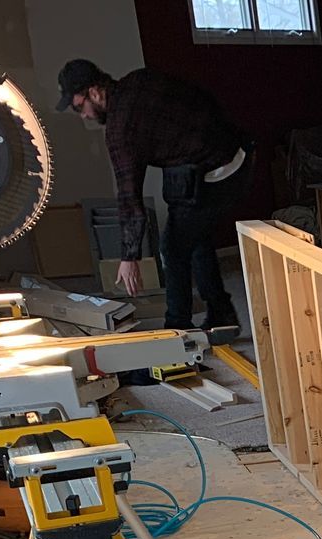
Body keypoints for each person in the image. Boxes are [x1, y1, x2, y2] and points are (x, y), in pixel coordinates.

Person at [55, 58, 251, 333]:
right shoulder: (138, 80)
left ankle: (177, 328)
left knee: (172, 247)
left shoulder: (120, 129)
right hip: (233, 152)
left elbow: (128, 194)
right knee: (193, 236)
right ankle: (222, 315)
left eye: (80, 107)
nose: (84, 116)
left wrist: (129, 257)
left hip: (218, 170)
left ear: (95, 93)